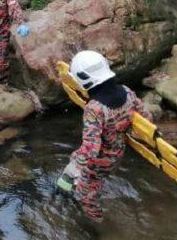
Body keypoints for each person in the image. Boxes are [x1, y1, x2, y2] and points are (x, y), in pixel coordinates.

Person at [59, 50, 152, 221]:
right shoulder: (127, 91)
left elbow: (91, 149)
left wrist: (75, 162)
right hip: (117, 152)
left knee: (85, 196)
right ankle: (78, 187)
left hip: (100, 160)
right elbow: (146, 118)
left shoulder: (94, 108)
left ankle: (97, 223)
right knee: (90, 179)